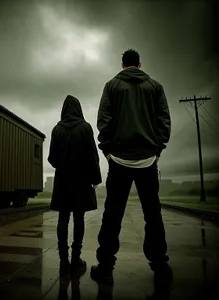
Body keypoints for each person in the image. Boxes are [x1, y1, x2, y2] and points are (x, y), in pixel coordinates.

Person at [90, 49, 172, 285]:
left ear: (122, 64)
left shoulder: (112, 86)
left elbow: (103, 120)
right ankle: (160, 266)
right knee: (153, 215)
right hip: (147, 160)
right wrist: (158, 150)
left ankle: (105, 266)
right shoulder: (155, 86)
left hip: (119, 161)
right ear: (139, 63)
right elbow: (164, 120)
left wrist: (106, 151)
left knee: (112, 215)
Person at [48, 95, 102, 275]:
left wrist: (63, 162)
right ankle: (76, 258)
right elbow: (93, 156)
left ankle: (63, 260)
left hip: (63, 180)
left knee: (63, 217)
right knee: (79, 218)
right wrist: (95, 179)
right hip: (82, 180)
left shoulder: (57, 129)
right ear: (79, 109)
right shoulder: (85, 128)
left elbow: (52, 159)